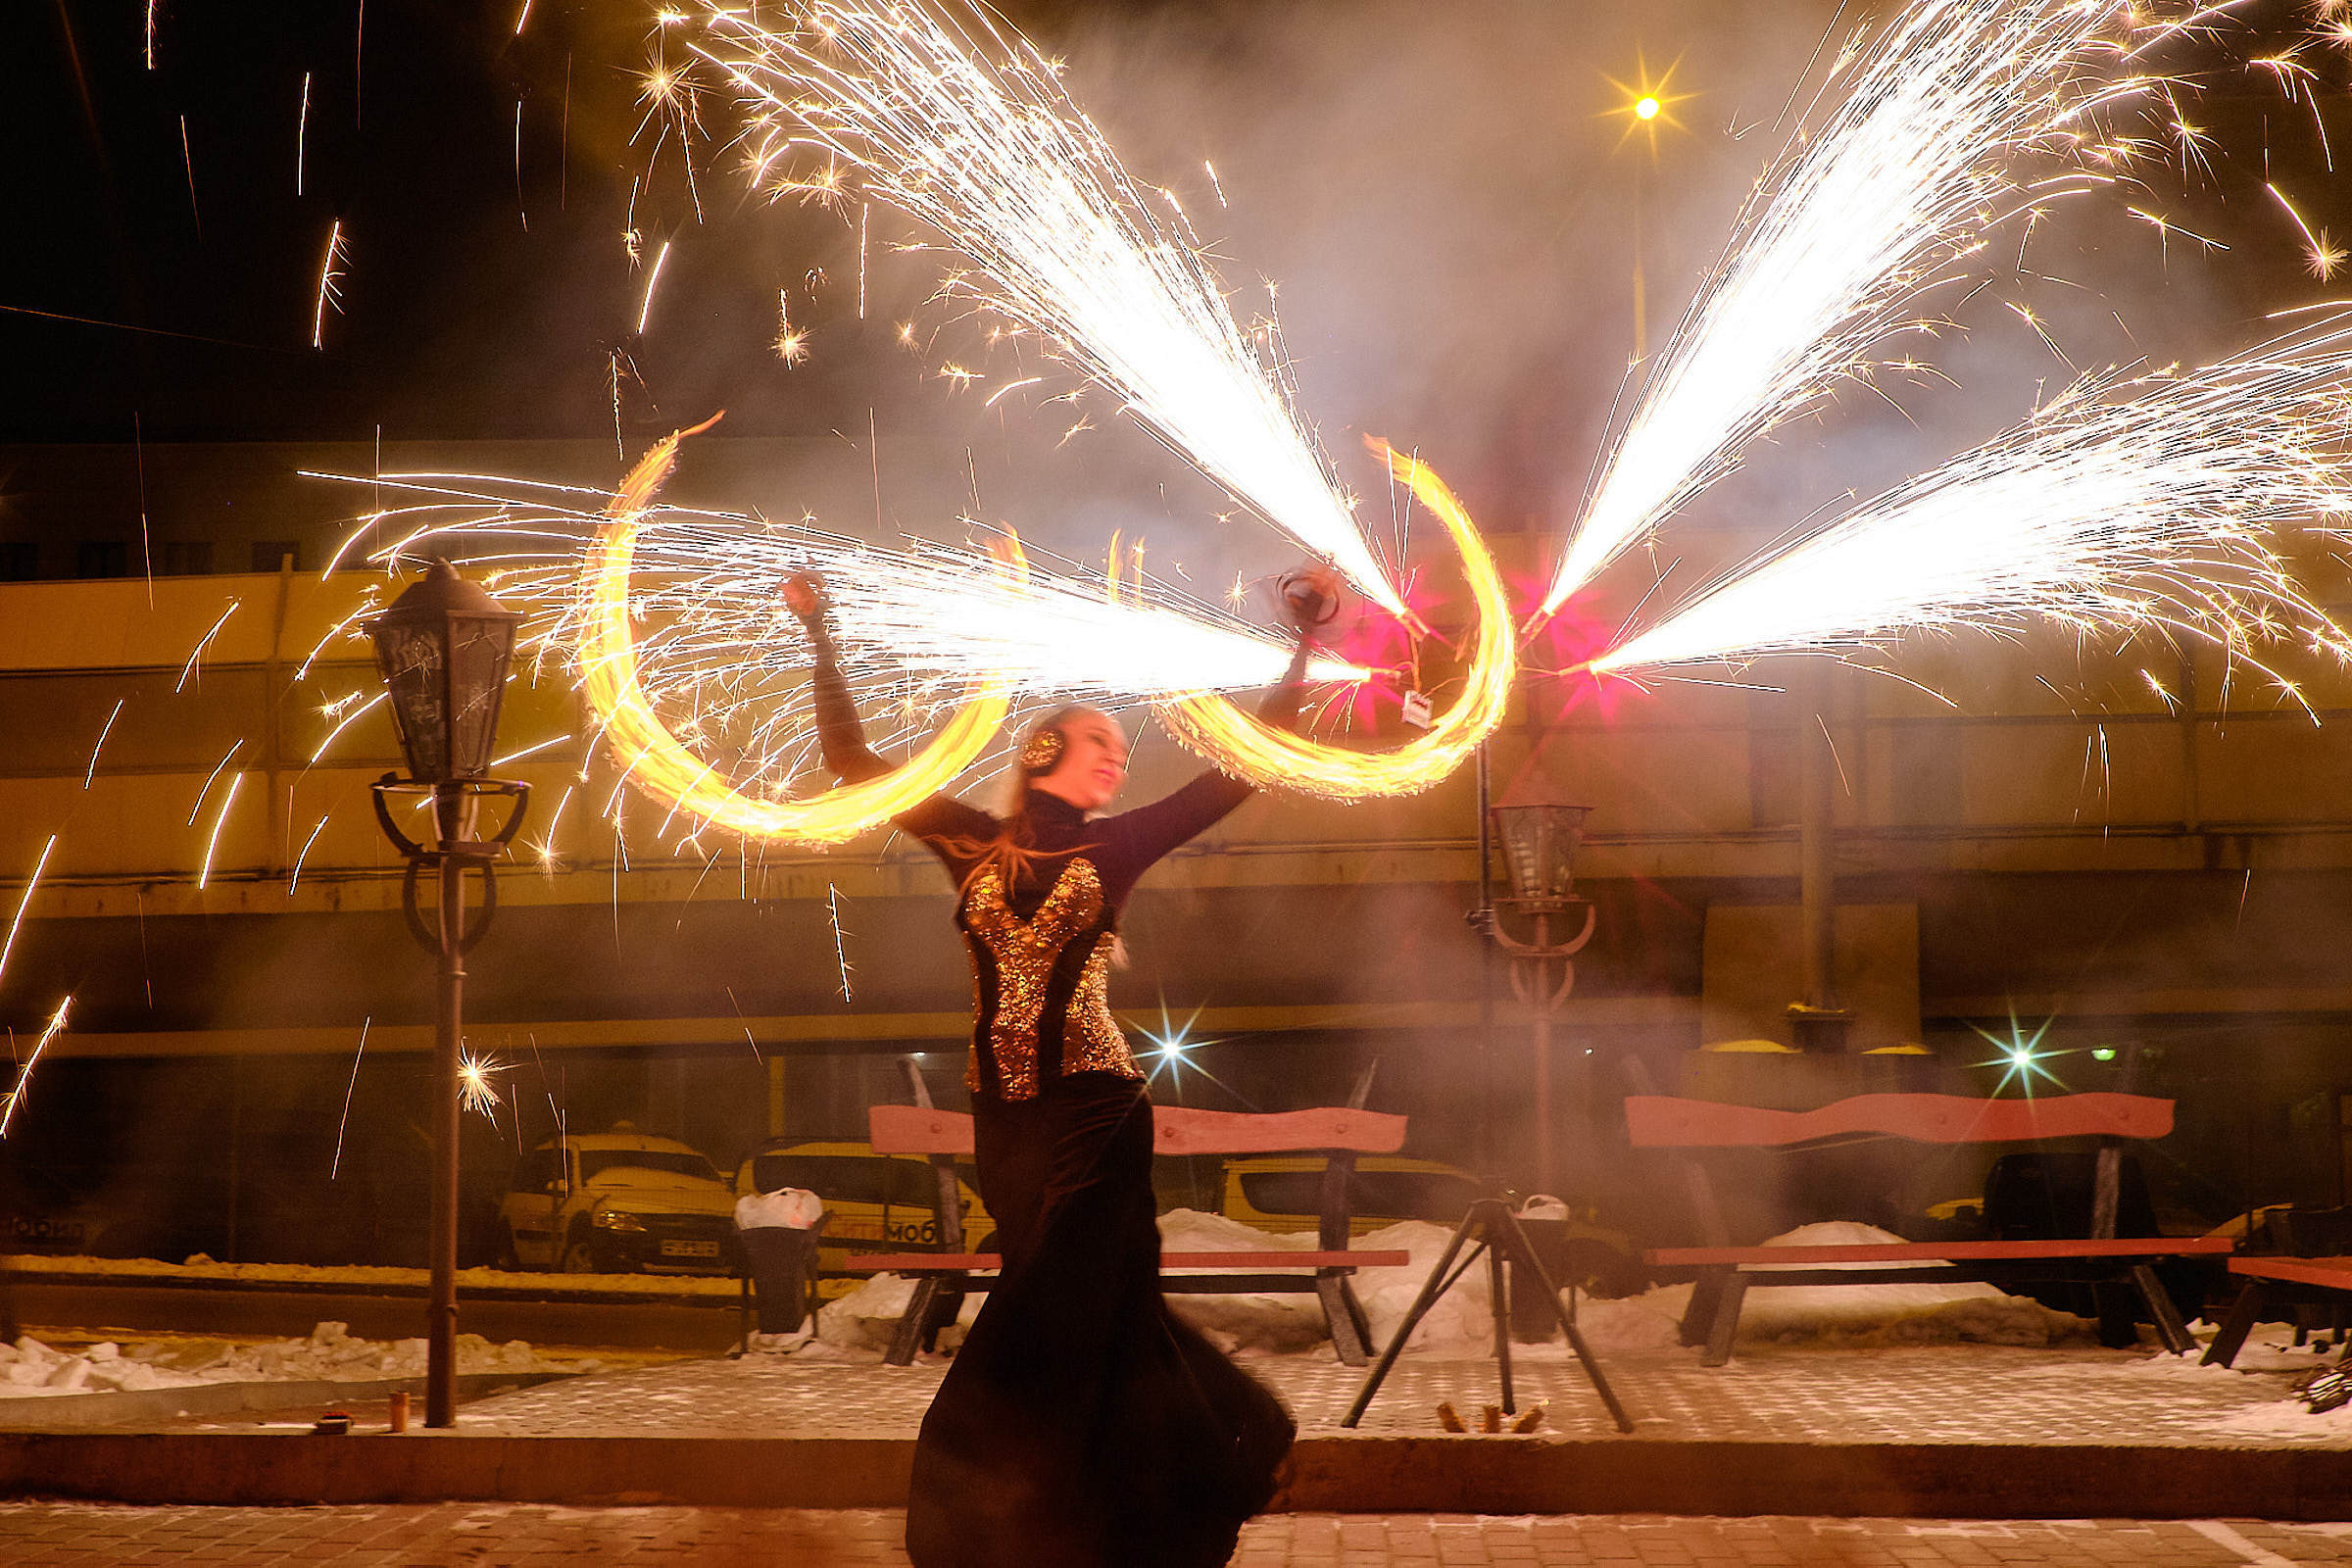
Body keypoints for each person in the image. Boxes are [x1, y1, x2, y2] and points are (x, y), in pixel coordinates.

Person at [783, 565, 1337, 1568]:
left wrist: (1302, 649)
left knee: (1044, 1308)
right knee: (1107, 1321)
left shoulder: (1116, 847)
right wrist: (822, 634)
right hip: (1007, 1126)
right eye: (1101, 746)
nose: (1118, 766)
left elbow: (1242, 769)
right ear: (1044, 753)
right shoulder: (968, 843)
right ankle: (1186, 1474)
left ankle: (970, 1511)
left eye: (1123, 753)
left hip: (1097, 1112)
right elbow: (852, 758)